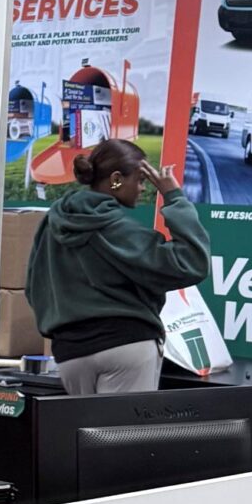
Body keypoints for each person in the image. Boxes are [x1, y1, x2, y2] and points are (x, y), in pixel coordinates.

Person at [25, 140, 210, 395]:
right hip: (127, 346)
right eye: (139, 179)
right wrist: (174, 197)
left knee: (84, 434)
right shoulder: (119, 229)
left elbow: (33, 288)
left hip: (70, 354)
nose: (143, 188)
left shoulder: (52, 223)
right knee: (123, 434)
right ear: (115, 179)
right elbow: (192, 262)